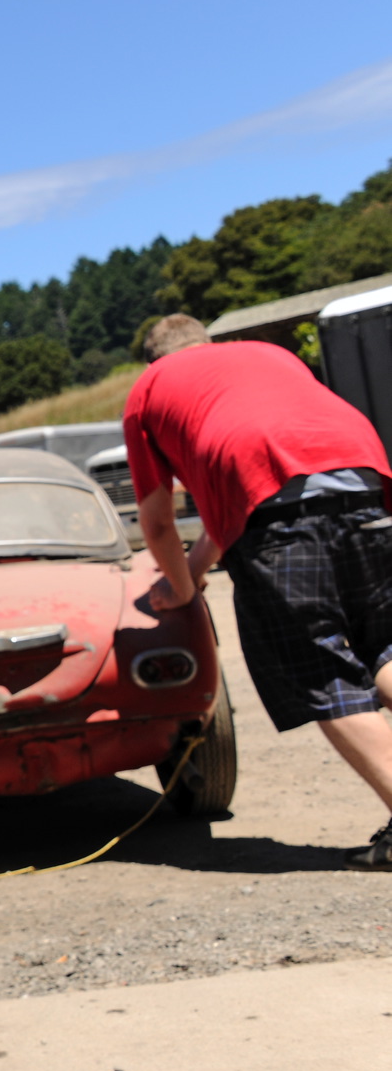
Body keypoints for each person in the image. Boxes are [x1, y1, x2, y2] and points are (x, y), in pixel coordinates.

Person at [126, 314, 392, 870]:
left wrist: (181, 590)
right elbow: (241, 504)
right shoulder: (266, 355)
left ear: (153, 360)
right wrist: (194, 571)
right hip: (367, 486)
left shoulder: (150, 389)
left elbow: (157, 522)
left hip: (280, 518)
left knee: (326, 677)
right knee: (384, 648)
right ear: (208, 343)